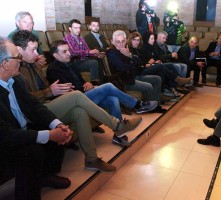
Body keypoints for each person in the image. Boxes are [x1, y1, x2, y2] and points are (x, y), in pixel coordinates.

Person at [12, 30, 142, 171]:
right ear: (19, 50)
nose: (38, 54)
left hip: (46, 104)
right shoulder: (16, 71)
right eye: (33, 50)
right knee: (77, 95)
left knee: (79, 112)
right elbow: (26, 100)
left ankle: (91, 160)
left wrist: (51, 90)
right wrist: (49, 91)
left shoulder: (34, 66)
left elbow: (48, 89)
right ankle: (118, 125)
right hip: (35, 113)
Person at [0, 36, 71, 200]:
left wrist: (57, 125)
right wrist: (48, 135)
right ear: (4, 64)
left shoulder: (14, 79)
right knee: (32, 152)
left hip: (19, 130)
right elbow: (5, 135)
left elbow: (34, 106)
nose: (20, 60)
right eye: (16, 57)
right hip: (6, 140)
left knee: (53, 129)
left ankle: (45, 176)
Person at [46, 40, 158, 119]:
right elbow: (68, 92)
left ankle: (119, 132)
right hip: (76, 100)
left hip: (83, 92)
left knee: (113, 99)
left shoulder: (70, 64)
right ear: (55, 56)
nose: (69, 53)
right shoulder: (53, 70)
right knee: (108, 86)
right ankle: (137, 105)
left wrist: (88, 83)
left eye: (68, 50)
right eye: (64, 52)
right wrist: (87, 88)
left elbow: (80, 81)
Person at [106, 30, 161, 102]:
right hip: (123, 81)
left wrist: (129, 55)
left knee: (157, 79)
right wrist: (132, 65)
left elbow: (139, 62)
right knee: (149, 86)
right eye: (118, 42)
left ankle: (156, 103)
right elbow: (122, 67)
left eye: (123, 41)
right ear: (113, 41)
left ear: (125, 40)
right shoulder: (112, 53)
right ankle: (149, 106)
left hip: (131, 77)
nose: (121, 44)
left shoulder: (126, 50)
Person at [139, 31, 193, 96]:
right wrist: (149, 63)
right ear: (147, 39)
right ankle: (178, 82)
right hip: (147, 67)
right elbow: (143, 61)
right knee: (164, 67)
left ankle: (178, 84)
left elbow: (156, 57)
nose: (153, 40)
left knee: (171, 65)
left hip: (156, 64)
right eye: (152, 39)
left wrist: (157, 60)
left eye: (153, 38)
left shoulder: (153, 46)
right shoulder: (144, 48)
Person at [64, 19, 105, 85]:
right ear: (70, 29)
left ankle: (102, 83)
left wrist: (97, 54)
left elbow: (88, 50)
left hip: (83, 61)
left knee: (97, 59)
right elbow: (73, 52)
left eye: (79, 27)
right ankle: (95, 83)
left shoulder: (81, 39)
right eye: (75, 28)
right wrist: (90, 52)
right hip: (74, 62)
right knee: (93, 62)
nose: (78, 30)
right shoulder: (67, 38)